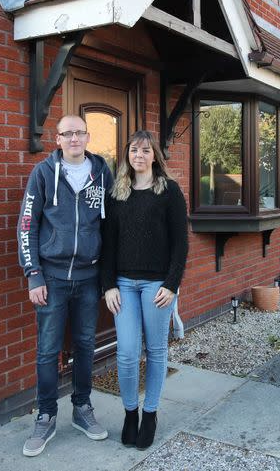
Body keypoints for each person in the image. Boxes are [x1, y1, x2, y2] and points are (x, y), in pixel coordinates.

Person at [17, 114, 114, 457]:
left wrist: (108, 278)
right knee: (47, 350)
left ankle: (82, 409)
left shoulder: (102, 173)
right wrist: (33, 273)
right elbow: (27, 224)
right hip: (53, 280)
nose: (74, 138)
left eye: (79, 133)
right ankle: (46, 415)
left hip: (89, 279)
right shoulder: (43, 174)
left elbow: (110, 226)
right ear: (57, 139)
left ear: (88, 137)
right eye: (67, 133)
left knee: (86, 345)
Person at [100, 130, 188, 450]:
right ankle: (129, 413)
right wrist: (108, 285)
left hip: (157, 287)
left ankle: (150, 414)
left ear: (154, 156)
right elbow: (107, 245)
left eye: (145, 150)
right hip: (123, 284)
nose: (139, 155)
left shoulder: (169, 192)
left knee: (156, 351)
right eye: (134, 150)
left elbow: (181, 244)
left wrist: (172, 284)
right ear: (127, 155)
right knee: (126, 353)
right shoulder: (117, 194)